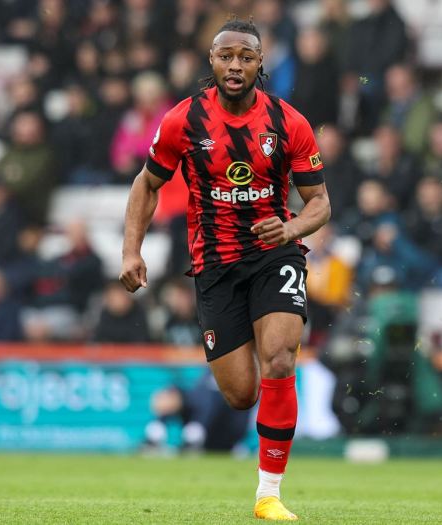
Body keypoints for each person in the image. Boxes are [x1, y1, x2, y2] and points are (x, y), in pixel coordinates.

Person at [120, 18, 330, 521]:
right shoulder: (183, 120)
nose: (235, 65)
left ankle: (268, 494)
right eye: (226, 56)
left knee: (280, 358)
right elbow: (147, 184)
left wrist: (291, 228)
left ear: (260, 64)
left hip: (274, 253)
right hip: (214, 264)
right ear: (211, 61)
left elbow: (320, 203)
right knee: (240, 394)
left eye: (246, 57)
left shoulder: (288, 122)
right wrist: (131, 251)